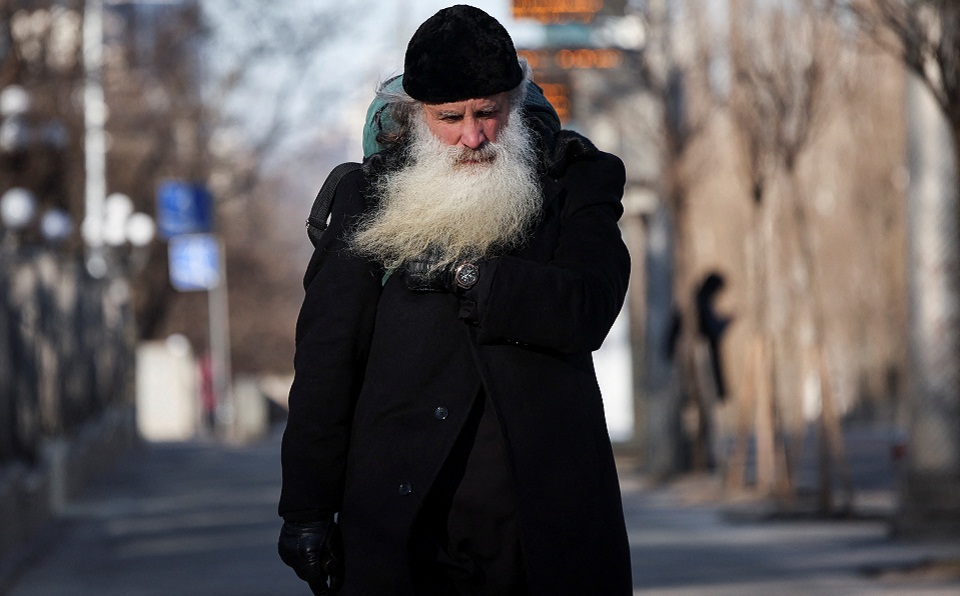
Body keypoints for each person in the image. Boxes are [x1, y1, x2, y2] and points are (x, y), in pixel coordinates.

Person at [278, 5, 633, 594]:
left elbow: (588, 306)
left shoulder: (574, 181)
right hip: (404, 530)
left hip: (540, 525)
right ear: (417, 114)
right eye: (451, 118)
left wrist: (470, 275)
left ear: (515, 102)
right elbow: (326, 361)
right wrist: (306, 511)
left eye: (488, 113)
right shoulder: (367, 198)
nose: (473, 137)